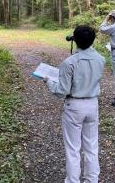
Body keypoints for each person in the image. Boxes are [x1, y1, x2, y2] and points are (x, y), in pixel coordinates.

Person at [43, 25, 105, 183]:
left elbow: (62, 91)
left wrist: (49, 81)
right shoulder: (100, 59)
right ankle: (92, 180)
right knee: (91, 146)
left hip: (74, 106)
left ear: (75, 40)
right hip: (92, 104)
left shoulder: (69, 63)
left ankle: (72, 180)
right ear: (92, 40)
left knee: (73, 149)